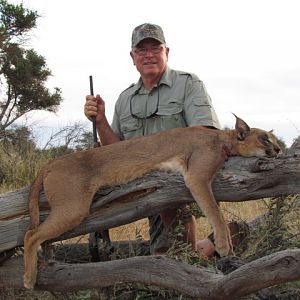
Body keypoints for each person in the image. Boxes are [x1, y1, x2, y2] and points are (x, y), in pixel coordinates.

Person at [84, 23, 221, 257]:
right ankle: (204, 249)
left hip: (179, 180)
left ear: (167, 51)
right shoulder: (125, 99)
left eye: (155, 48)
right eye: (141, 50)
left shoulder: (188, 84)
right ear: (132, 57)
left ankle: (189, 257)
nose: (148, 55)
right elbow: (117, 153)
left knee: (170, 253)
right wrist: (100, 121)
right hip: (140, 185)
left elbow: (207, 136)